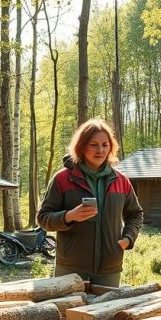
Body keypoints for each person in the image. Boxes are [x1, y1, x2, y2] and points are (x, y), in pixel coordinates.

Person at [37, 118, 143, 288]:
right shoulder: (62, 179)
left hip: (109, 267)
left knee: (105, 313)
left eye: (105, 144)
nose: (100, 150)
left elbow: (135, 214)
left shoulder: (121, 181)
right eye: (93, 145)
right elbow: (43, 219)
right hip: (70, 268)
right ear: (82, 146)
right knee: (67, 314)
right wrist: (69, 216)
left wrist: (127, 240)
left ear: (111, 147)